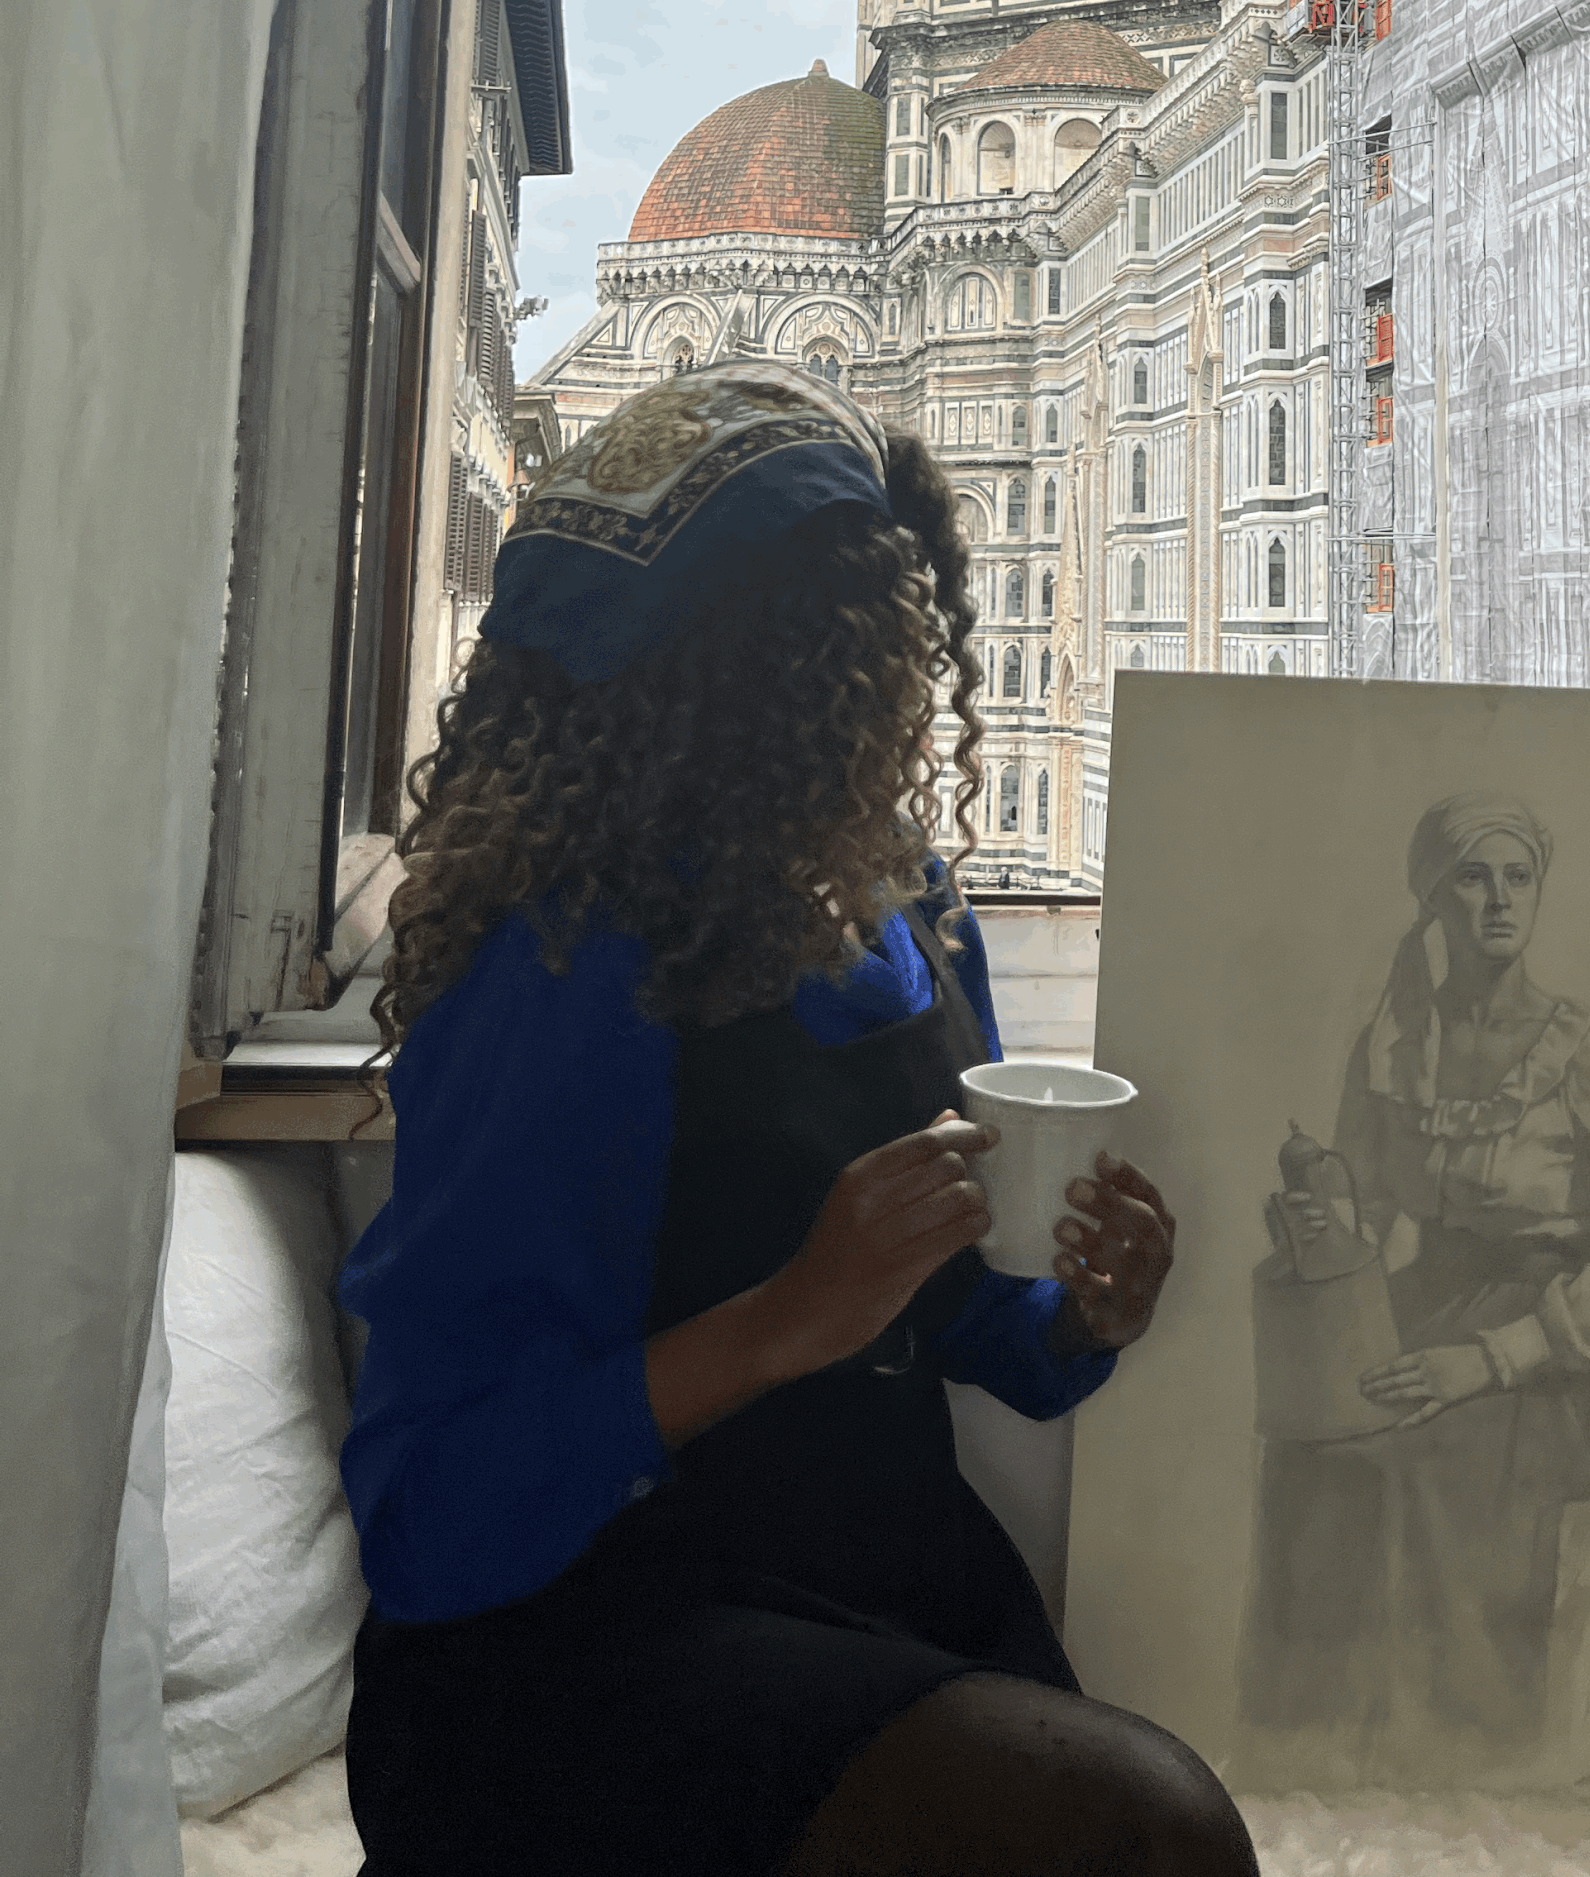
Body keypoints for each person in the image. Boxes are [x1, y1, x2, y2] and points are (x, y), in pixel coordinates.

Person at [338, 360, 1251, 1877]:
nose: (908, 688)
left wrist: (1084, 1314)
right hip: (585, 1629)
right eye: (882, 640)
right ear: (785, 670)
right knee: (1151, 1830)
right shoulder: (560, 963)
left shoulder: (911, 907)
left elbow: (965, 1320)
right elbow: (433, 1503)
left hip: (876, 1579)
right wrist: (786, 1318)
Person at [1236, 796, 1590, 1771]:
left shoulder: (1581, 1052)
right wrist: (1320, 1224)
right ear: (1433, 899)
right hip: (1423, 1304)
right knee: (1316, 1449)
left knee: (1420, 1457)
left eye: (1518, 877)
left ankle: (1468, 1759)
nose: (1499, 901)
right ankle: (1306, 1758)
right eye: (1473, 878)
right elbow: (1366, 1213)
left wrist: (1490, 1358)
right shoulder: (1391, 1049)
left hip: (1556, 1357)